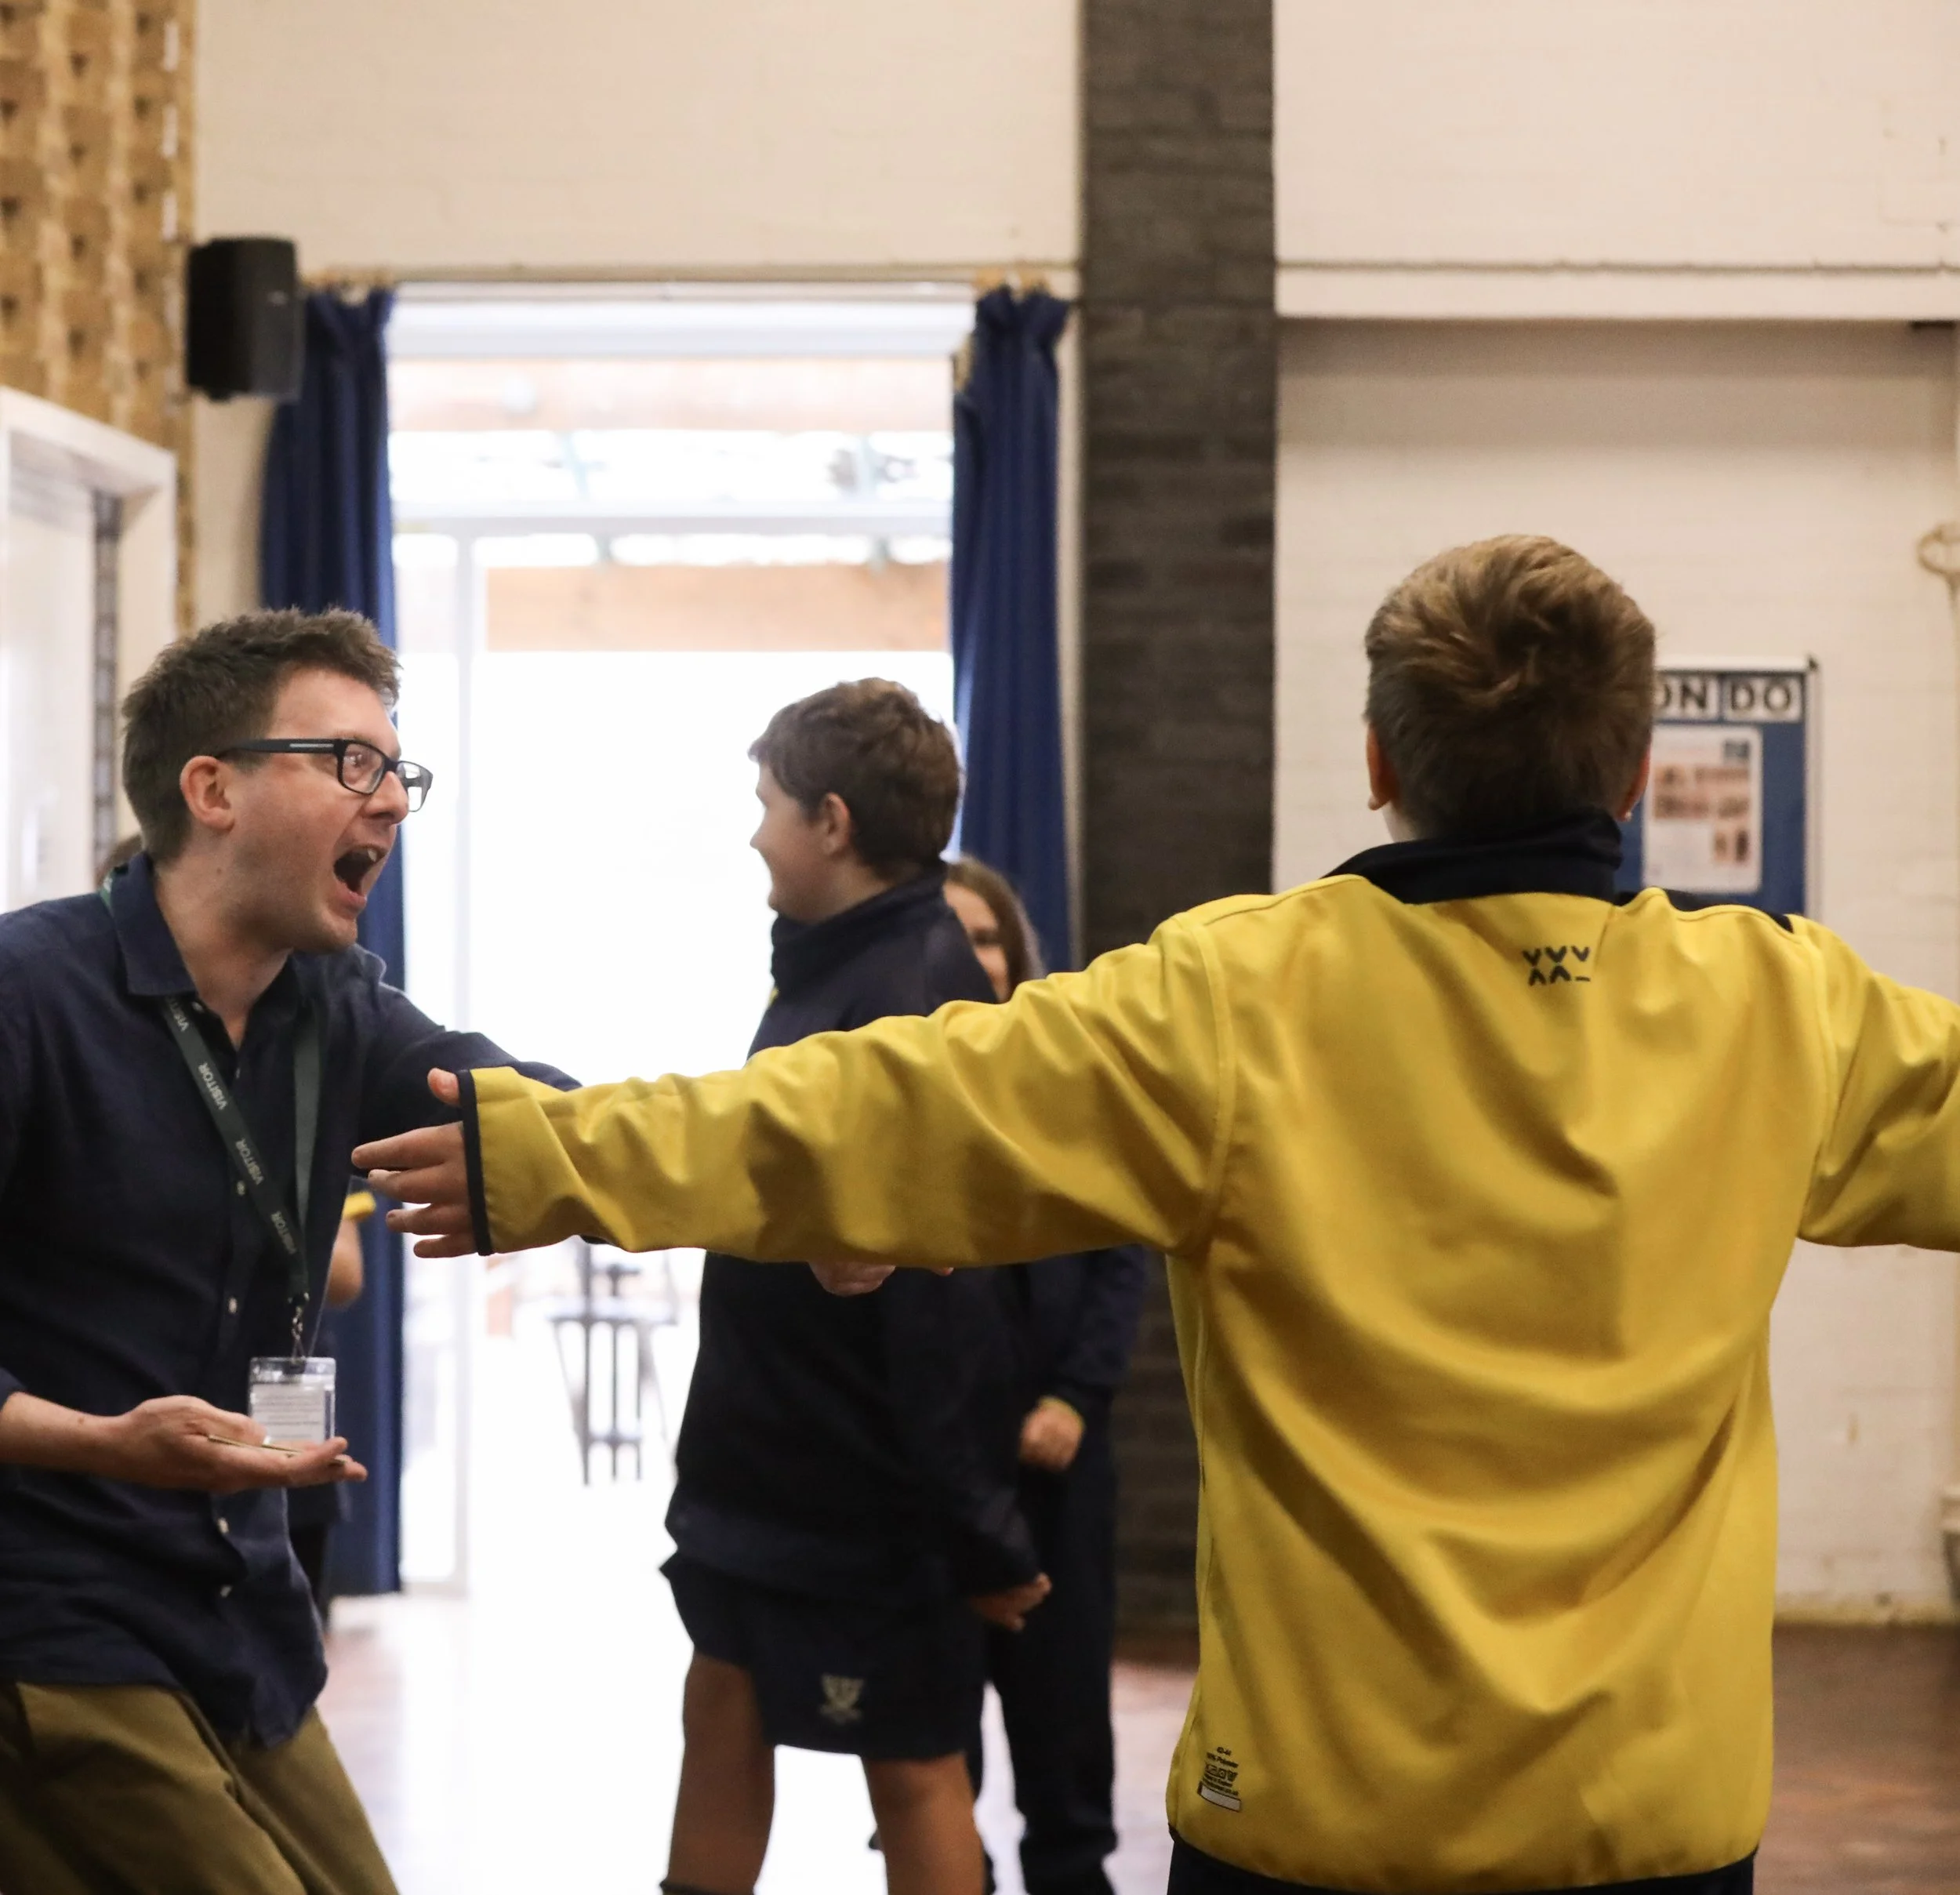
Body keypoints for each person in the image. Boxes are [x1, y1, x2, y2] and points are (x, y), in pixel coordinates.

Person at [360, 533, 1960, 1894]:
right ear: (1631, 769)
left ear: (1380, 762)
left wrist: (550, 1153)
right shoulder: (1781, 1007)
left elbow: (868, 1107)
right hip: (1653, 1816)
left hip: (1323, 1818)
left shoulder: (1243, 997)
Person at [0, 609, 571, 1895]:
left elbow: (534, 1112)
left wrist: (793, 1208)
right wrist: (97, 1442)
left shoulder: (335, 1007)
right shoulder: (27, 994)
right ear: (213, 791)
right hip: (50, 1616)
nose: (393, 801)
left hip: (239, 1612)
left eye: (399, 770)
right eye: (351, 762)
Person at [652, 681, 1045, 1895]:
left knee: (914, 1765)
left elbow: (945, 1309)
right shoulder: (830, 967)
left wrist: (979, 1530)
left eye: (767, 804)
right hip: (766, 1468)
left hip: (866, 1496)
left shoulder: (910, 998)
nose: (753, 833)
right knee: (720, 1709)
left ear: (831, 821)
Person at [942, 857, 1149, 1895]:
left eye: (987, 938)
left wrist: (1075, 1396)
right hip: (938, 1472)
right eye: (952, 937)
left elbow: (1122, 1256)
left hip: (1061, 1463)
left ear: (1015, 955)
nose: (971, 956)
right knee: (936, 1759)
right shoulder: (892, 1091)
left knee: (1064, 1733)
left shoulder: (1073, 1085)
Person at [286, 1186, 377, 1615]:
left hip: (289, 1393)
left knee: (296, 1612)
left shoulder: (314, 1146)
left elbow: (346, 1275)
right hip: (176, 1390)